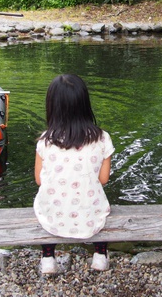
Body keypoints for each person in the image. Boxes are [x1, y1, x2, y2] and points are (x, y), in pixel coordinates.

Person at [33, 74, 114, 274]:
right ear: (85, 104)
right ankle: (100, 256)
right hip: (90, 216)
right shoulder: (102, 138)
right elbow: (103, 179)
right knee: (98, 204)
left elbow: (39, 180)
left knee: (47, 201)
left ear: (52, 106)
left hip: (54, 217)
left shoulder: (45, 141)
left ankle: (48, 260)